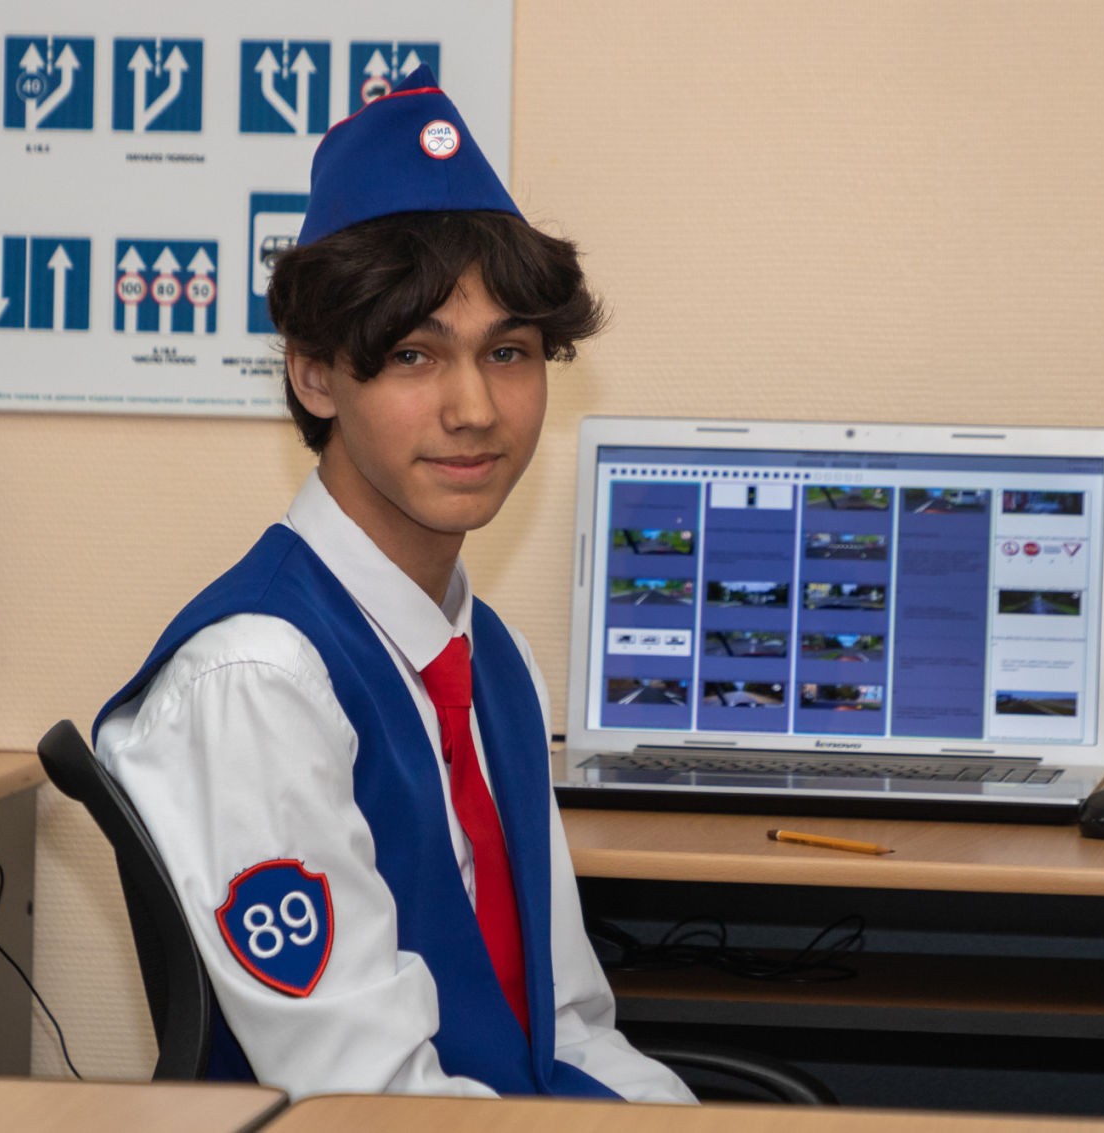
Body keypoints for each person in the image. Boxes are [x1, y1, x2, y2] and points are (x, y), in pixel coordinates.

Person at [93, 67, 695, 1104]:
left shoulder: (490, 659)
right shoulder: (257, 681)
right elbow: (365, 1097)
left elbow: (564, 1025)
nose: (475, 408)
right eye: (415, 355)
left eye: (508, 351)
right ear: (314, 373)